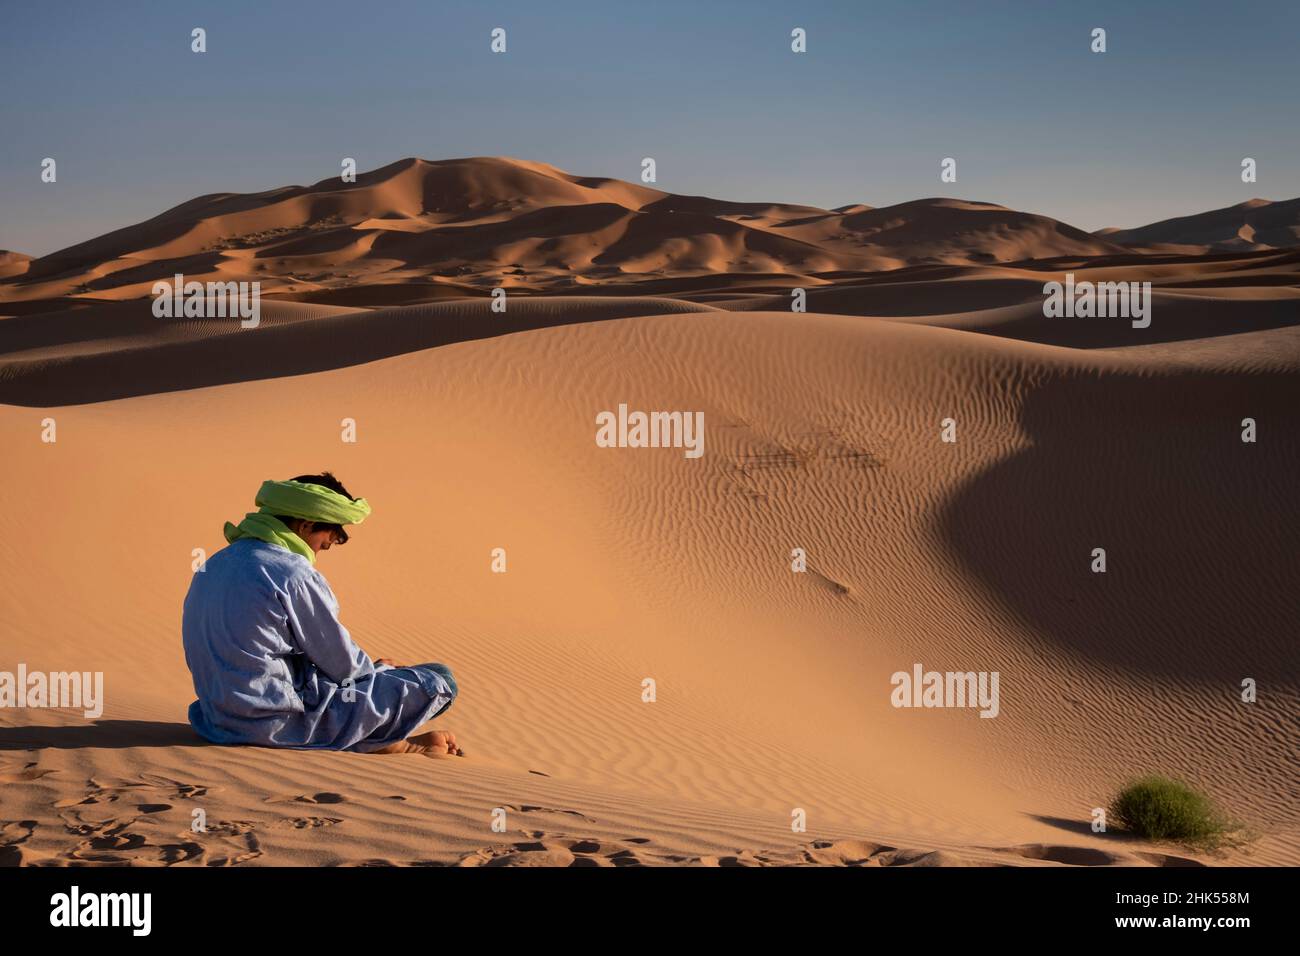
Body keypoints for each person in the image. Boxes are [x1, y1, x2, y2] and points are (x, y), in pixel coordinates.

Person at [182, 473, 462, 756]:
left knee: (348, 682)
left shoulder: (214, 563)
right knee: (440, 680)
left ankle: (380, 738)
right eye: (325, 541)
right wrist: (381, 671)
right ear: (305, 526)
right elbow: (344, 667)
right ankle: (386, 742)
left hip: (216, 720)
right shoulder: (293, 573)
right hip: (275, 725)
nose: (321, 550)